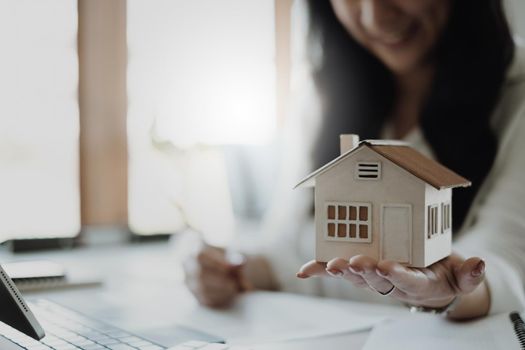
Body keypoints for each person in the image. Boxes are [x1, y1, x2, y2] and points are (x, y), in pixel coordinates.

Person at [184, 0, 525, 320]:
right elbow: (288, 247)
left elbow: (505, 264)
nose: (374, 17)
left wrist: (445, 291)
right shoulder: (321, 97)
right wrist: (229, 269)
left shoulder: (517, 96)